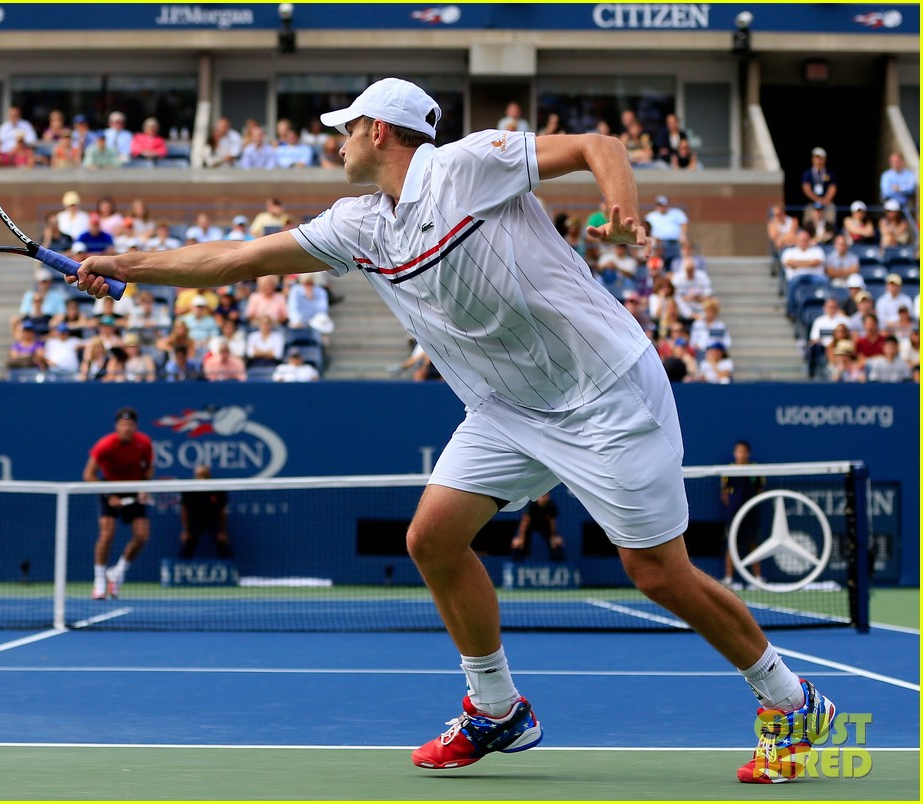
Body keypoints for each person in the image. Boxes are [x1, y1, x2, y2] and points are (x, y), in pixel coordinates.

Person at [68, 76, 835, 783]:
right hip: (506, 409)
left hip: (604, 393)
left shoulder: (467, 166)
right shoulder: (357, 225)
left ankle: (792, 701)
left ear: (379, 130)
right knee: (432, 538)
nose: (337, 141)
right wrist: (123, 264)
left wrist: (621, 205)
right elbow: (232, 258)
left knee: (657, 574)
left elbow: (599, 147)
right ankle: (497, 710)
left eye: (346, 129)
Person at [85, 407, 154, 599]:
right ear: (117, 426)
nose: (127, 428)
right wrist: (109, 495)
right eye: (123, 424)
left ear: (135, 426)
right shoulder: (105, 445)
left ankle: (117, 572)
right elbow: (88, 475)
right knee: (107, 535)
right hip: (110, 489)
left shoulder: (144, 443)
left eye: (130, 424)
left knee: (142, 536)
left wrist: (143, 488)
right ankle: (99, 581)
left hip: (134, 487)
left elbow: (148, 469)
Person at [720, 441, 763, 588]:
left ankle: (757, 579)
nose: (741, 454)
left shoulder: (755, 469)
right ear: (734, 453)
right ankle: (729, 578)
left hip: (751, 513)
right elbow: (724, 492)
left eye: (743, 451)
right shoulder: (729, 470)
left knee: (753, 543)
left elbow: (759, 490)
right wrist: (733, 506)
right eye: (738, 451)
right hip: (734, 514)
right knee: (732, 544)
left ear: (748, 453)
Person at [178, 465, 233, 559]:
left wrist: (222, 531)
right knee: (187, 545)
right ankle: (181, 568)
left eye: (203, 474)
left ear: (209, 475)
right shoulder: (188, 489)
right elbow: (184, 510)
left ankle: (230, 569)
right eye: (198, 475)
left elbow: (223, 511)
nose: (201, 478)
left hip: (214, 520)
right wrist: (186, 530)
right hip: (195, 520)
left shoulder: (217, 489)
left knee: (223, 544)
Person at [509, 493, 564, 562]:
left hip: (544, 526)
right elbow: (524, 523)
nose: (544, 499)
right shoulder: (531, 505)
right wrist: (521, 538)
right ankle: (517, 561)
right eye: (542, 496)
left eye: (546, 496)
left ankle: (557, 561)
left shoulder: (551, 506)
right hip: (530, 525)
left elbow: (552, 523)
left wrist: (553, 537)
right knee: (517, 543)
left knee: (557, 542)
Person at [644, 195, 688, 265]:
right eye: (660, 205)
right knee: (660, 261)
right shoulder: (650, 216)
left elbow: (684, 223)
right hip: (658, 245)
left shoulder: (676, 213)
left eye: (664, 205)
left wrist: (683, 235)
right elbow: (645, 228)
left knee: (676, 261)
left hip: (675, 243)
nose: (662, 207)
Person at [801, 146, 837, 227]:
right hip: (812, 202)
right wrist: (818, 199)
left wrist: (826, 200)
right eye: (816, 158)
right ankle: (810, 235)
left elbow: (832, 187)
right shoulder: (808, 173)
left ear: (825, 159)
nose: (818, 160)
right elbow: (806, 189)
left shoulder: (829, 173)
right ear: (812, 159)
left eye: (820, 158)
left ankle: (828, 234)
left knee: (831, 209)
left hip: (827, 202)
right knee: (808, 215)